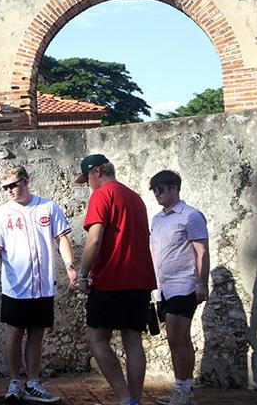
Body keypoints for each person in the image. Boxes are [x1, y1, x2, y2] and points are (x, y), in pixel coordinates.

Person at [0, 166, 77, 403]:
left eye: (13, 185)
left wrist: (70, 264)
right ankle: (14, 382)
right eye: (5, 187)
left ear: (26, 180)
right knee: (14, 332)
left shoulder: (48, 207)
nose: (9, 191)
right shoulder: (2, 213)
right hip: (15, 286)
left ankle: (33, 382)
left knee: (37, 333)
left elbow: (61, 238)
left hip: (42, 285)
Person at [75, 154, 156, 405]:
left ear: (97, 171)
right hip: (140, 280)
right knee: (133, 340)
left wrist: (82, 274)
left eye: (87, 177)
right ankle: (135, 400)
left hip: (110, 278)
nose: (87, 183)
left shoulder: (101, 194)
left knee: (97, 338)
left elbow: (95, 239)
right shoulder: (136, 198)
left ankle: (123, 398)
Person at [148, 170, 209, 405]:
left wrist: (202, 283)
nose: (156, 194)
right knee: (178, 338)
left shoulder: (191, 216)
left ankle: (183, 390)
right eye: (154, 190)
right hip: (164, 287)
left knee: (176, 336)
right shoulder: (158, 219)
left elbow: (201, 251)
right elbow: (155, 253)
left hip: (184, 284)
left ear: (174, 188)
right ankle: (183, 389)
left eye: (160, 189)